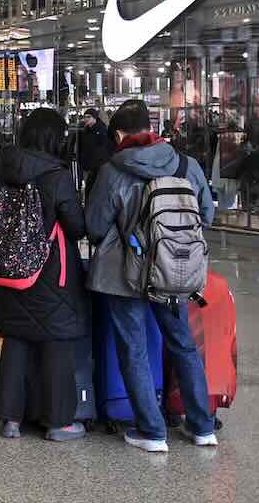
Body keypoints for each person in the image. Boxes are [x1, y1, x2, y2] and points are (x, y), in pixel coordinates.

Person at [85, 99, 218, 452]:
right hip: (173, 271)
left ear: (118, 134)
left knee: (134, 349)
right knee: (183, 345)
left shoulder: (113, 170)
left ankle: (152, 431)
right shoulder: (186, 165)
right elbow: (206, 215)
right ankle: (203, 426)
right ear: (152, 127)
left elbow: (95, 227)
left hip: (121, 275)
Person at [0, 107, 88, 441]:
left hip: (6, 269)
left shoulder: (3, 167)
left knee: (15, 338)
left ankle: (10, 419)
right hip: (49, 272)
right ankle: (58, 422)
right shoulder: (57, 176)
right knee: (55, 341)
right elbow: (75, 227)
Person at [77, 108, 113, 197]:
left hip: (98, 167)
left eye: (88, 117)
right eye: (84, 117)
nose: (86, 119)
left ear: (95, 118)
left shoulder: (102, 130)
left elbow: (104, 149)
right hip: (87, 166)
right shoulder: (85, 131)